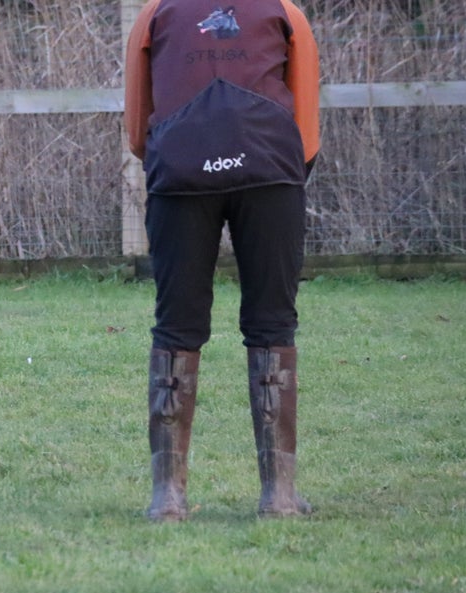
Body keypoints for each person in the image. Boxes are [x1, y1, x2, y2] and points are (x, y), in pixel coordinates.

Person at [124, 0, 320, 520]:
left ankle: (169, 495)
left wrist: (177, 162)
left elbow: (137, 119)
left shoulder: (155, 13)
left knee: (176, 326)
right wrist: (282, 168)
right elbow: (307, 113)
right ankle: (278, 495)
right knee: (273, 322)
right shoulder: (284, 11)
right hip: (271, 173)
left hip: (180, 176)